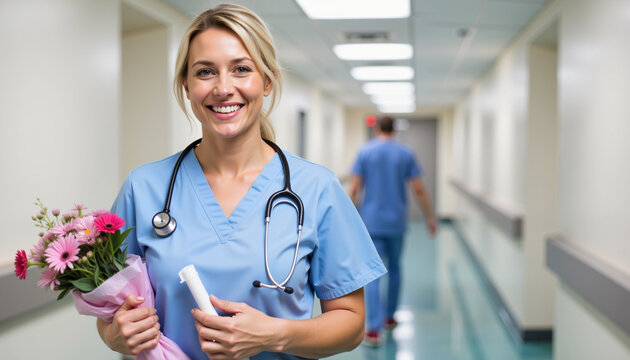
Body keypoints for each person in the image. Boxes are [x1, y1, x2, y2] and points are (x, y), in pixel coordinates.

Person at [96, 4, 386, 359]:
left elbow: (351, 324)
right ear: (186, 85)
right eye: (205, 72)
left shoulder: (317, 189)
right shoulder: (143, 189)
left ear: (267, 81)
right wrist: (115, 335)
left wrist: (274, 335)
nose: (223, 87)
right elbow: (110, 311)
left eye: (241, 69)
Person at [349, 116, 437, 347]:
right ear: (395, 130)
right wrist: (429, 216)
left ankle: (374, 330)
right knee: (395, 268)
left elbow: (355, 187)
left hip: (371, 222)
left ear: (377, 128)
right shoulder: (405, 153)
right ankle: (390, 318)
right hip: (396, 222)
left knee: (373, 274)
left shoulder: (365, 151)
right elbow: (418, 188)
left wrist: (347, 219)